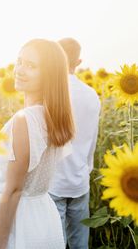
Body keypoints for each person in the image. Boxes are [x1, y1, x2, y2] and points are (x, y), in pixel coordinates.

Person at [0, 38, 75, 249]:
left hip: (18, 222)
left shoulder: (24, 119)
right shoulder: (52, 116)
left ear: (49, 75)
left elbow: (14, 189)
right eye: (20, 62)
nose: (20, 70)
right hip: (43, 215)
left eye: (31, 66)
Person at [49, 38, 101, 249]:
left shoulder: (50, 92)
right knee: (80, 244)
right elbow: (93, 139)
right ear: (78, 61)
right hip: (80, 180)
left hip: (53, 182)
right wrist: (85, 169)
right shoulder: (92, 95)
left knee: (55, 244)